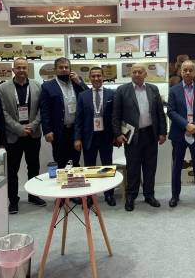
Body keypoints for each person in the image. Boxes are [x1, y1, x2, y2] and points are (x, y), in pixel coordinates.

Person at [112, 64, 167, 212]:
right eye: (134, 72)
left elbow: (160, 113)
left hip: (150, 134)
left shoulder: (153, 89)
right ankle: (131, 197)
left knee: (150, 167)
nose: (137, 74)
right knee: (133, 168)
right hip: (131, 136)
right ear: (131, 74)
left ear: (145, 74)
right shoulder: (122, 90)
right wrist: (118, 134)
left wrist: (163, 132)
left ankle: (149, 195)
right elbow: (116, 115)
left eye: (140, 72)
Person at [0, 58, 45, 214]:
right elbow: (3, 112)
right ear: (13, 70)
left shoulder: (37, 86)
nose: (21, 70)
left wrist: (33, 125)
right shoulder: (3, 88)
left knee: (34, 166)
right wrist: (18, 128)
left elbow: (42, 109)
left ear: (28, 69)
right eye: (18, 67)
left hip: (33, 133)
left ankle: (33, 195)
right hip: (14, 136)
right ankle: (13, 200)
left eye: (24, 67)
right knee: (12, 170)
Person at [167, 60, 195, 207]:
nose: (187, 72)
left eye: (190, 70)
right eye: (185, 70)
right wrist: (186, 125)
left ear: (194, 72)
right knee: (177, 166)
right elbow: (171, 111)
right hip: (179, 133)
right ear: (180, 71)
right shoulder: (174, 90)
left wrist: (194, 125)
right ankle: (175, 196)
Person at [74, 67, 116, 206]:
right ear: (89, 78)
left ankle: (109, 194)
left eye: (99, 75)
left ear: (103, 77)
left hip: (106, 137)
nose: (96, 78)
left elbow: (115, 117)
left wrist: (117, 135)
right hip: (89, 137)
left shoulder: (112, 94)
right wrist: (77, 138)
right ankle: (90, 196)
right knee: (89, 167)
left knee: (107, 166)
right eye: (93, 76)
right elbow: (79, 118)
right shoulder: (83, 96)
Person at [40, 57, 87, 169]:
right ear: (55, 70)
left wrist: (80, 83)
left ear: (70, 69)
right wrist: (47, 130)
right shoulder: (47, 86)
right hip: (58, 131)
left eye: (66, 67)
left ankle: (75, 179)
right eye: (61, 67)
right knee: (60, 161)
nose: (64, 70)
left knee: (75, 161)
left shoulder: (77, 82)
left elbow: (88, 97)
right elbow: (44, 110)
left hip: (76, 130)